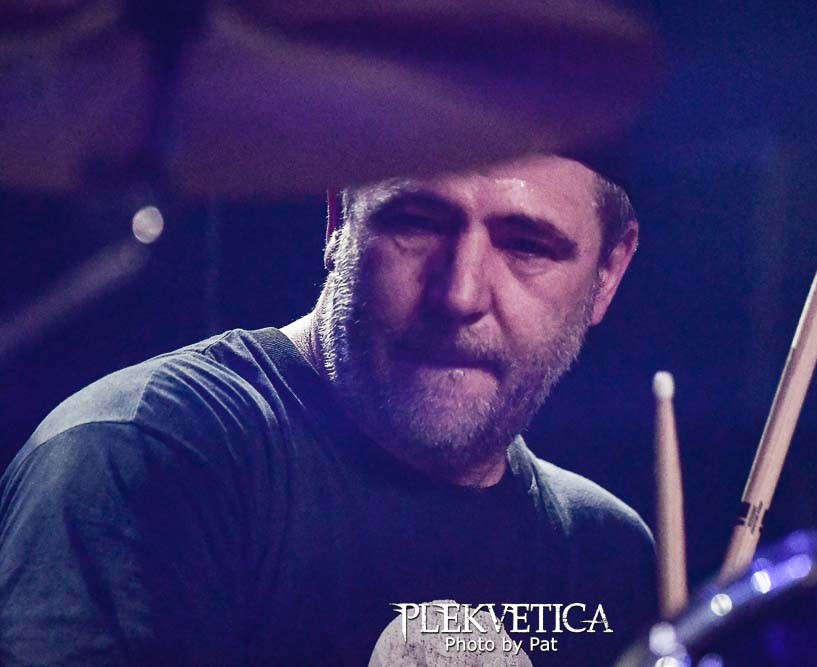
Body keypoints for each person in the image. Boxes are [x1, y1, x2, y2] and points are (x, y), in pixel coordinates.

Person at [0, 154, 657, 665]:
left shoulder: (607, 554)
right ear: (338, 218)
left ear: (608, 273)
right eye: (416, 221)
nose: (460, 294)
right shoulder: (145, 459)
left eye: (526, 245)